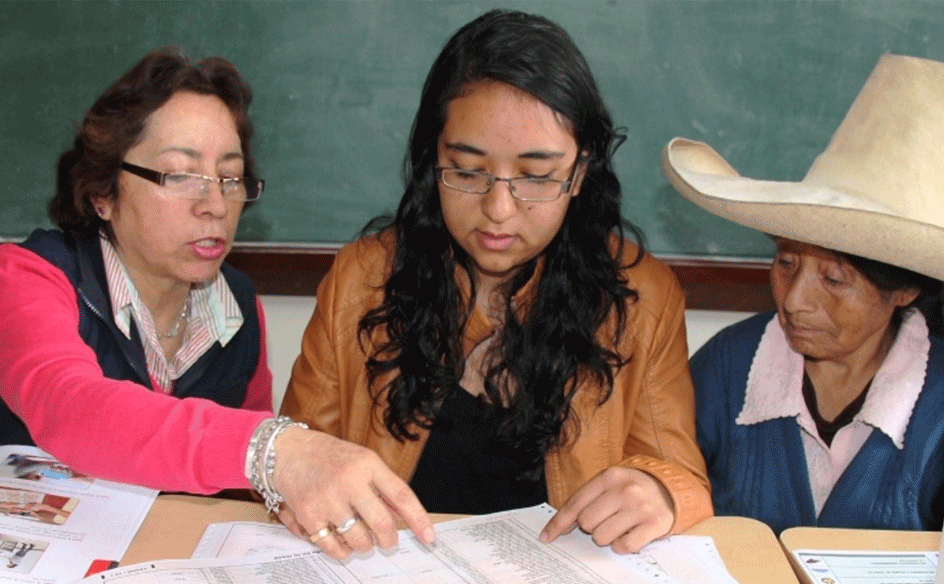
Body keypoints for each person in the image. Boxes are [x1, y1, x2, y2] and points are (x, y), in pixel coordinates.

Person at [0, 48, 433, 558]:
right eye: (179, 175)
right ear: (102, 194)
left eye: (230, 177)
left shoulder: (237, 306)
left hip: (147, 559)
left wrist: (280, 493)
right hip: (1, 553)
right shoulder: (26, 276)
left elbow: (236, 483)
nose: (215, 205)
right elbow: (70, 409)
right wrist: (272, 452)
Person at [280, 10, 712, 553]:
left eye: (535, 176)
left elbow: (681, 477)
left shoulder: (641, 296)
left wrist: (660, 493)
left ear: (578, 174)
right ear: (431, 160)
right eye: (466, 171)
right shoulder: (362, 279)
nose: (498, 210)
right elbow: (291, 462)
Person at [664, 54, 944, 534]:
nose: (795, 299)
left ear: (903, 289)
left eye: (835, 279)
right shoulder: (726, 366)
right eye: (786, 263)